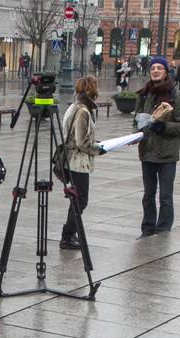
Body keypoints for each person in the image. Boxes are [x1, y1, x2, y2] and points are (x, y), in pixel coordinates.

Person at [134, 56, 180, 236]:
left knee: (165, 196)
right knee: (148, 194)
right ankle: (147, 228)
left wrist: (164, 126)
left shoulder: (176, 95)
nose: (155, 71)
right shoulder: (144, 94)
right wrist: (135, 134)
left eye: (159, 68)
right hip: (148, 150)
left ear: (166, 71)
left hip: (167, 153)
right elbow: (137, 119)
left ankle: (163, 228)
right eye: (152, 68)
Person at [59, 76, 105, 251]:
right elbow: (82, 142)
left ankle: (70, 234)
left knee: (77, 199)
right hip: (78, 163)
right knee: (81, 200)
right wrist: (99, 148)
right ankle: (67, 235)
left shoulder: (73, 106)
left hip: (71, 161)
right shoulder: (83, 111)